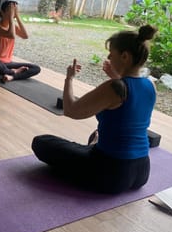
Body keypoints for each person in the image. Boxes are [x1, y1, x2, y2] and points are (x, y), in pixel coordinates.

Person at [31, 25, 158, 194]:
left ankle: (91, 149)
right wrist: (116, 77)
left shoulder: (114, 87)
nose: (108, 57)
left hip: (111, 174)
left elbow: (71, 110)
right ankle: (92, 147)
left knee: (42, 142)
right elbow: (129, 108)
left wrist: (69, 78)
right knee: (97, 137)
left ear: (125, 56)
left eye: (112, 54)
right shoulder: (151, 85)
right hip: (142, 171)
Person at [0, 0, 41, 82]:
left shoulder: (13, 27)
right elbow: (11, 35)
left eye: (14, 11)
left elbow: (25, 36)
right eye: (10, 10)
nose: (12, 13)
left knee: (36, 68)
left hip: (7, 64)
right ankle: (14, 72)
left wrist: (17, 16)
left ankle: (12, 77)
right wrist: (11, 17)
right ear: (2, 12)